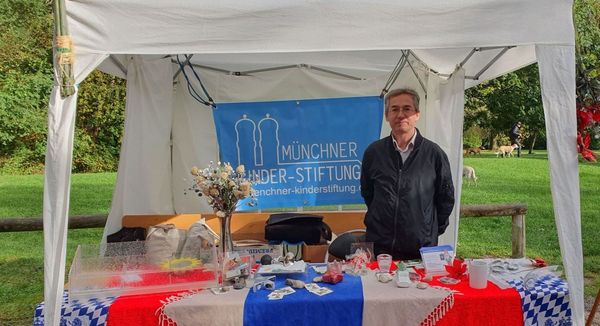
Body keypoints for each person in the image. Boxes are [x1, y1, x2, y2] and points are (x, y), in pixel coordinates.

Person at [360, 88, 455, 260]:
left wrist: (429, 229)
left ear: (417, 114)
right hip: (381, 247)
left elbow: (445, 199)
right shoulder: (373, 152)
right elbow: (368, 194)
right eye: (394, 109)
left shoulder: (434, 154)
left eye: (407, 109)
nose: (400, 115)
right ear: (387, 115)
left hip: (421, 249)